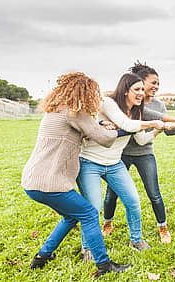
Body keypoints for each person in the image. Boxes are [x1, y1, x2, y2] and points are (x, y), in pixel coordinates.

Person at [21, 72, 129, 277]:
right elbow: (105, 140)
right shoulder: (75, 113)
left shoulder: (55, 111)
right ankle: (104, 266)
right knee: (88, 213)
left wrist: (98, 125)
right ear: (84, 93)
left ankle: (42, 257)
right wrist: (126, 129)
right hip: (51, 184)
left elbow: (79, 129)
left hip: (32, 182)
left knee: (71, 216)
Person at [77, 73, 175, 259]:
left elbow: (140, 139)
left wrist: (158, 129)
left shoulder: (135, 112)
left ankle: (136, 240)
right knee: (93, 208)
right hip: (90, 162)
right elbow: (126, 124)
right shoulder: (109, 104)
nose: (142, 93)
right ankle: (88, 248)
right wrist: (153, 122)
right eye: (137, 89)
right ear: (125, 91)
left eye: (143, 89)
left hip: (114, 163)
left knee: (133, 202)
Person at [102, 62, 175, 243]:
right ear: (138, 83)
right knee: (112, 193)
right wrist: (174, 120)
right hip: (123, 153)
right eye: (153, 83)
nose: (156, 87)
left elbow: (166, 129)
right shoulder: (130, 103)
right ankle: (108, 222)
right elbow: (152, 117)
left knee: (154, 193)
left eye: (158, 83)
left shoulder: (159, 105)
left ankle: (162, 227)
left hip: (145, 152)